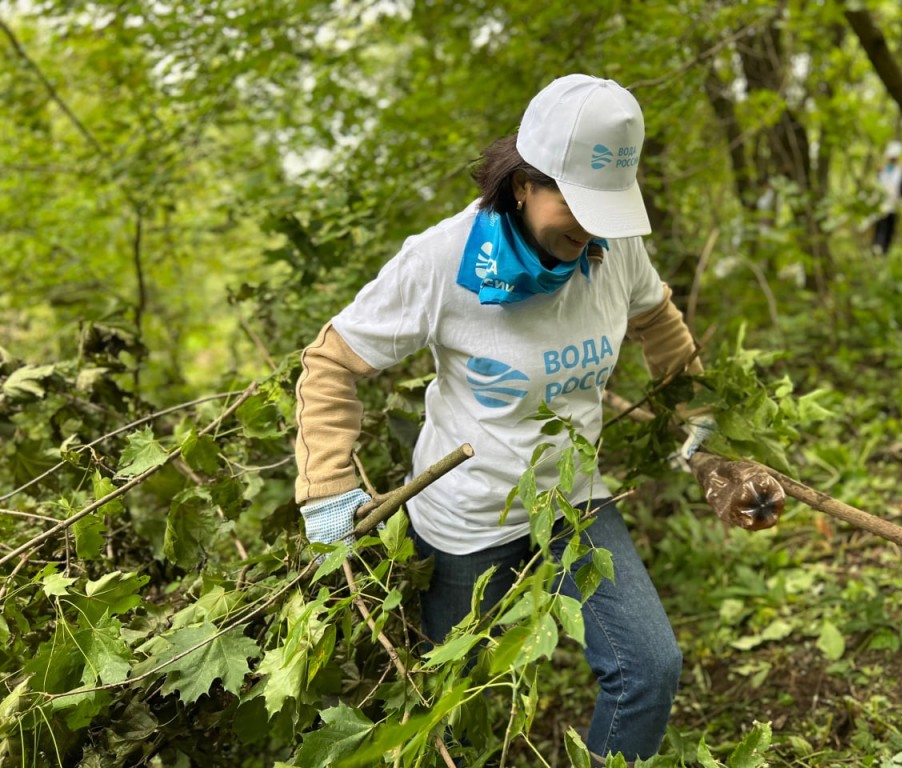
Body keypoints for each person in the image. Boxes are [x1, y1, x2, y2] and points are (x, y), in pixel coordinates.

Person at [293, 74, 710, 765]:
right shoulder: (441, 262)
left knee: (649, 668)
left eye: (606, 208)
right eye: (575, 204)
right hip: (466, 518)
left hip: (571, 500)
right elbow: (331, 363)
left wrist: (701, 429)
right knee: (456, 708)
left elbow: (659, 325)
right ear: (523, 183)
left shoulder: (616, 248)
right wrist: (327, 485)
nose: (589, 227)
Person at [872, 140, 902, 255]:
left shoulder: (900, 171)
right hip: (882, 204)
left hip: (894, 204)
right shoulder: (883, 171)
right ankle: (878, 248)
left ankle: (885, 251)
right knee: (882, 226)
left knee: (890, 228)